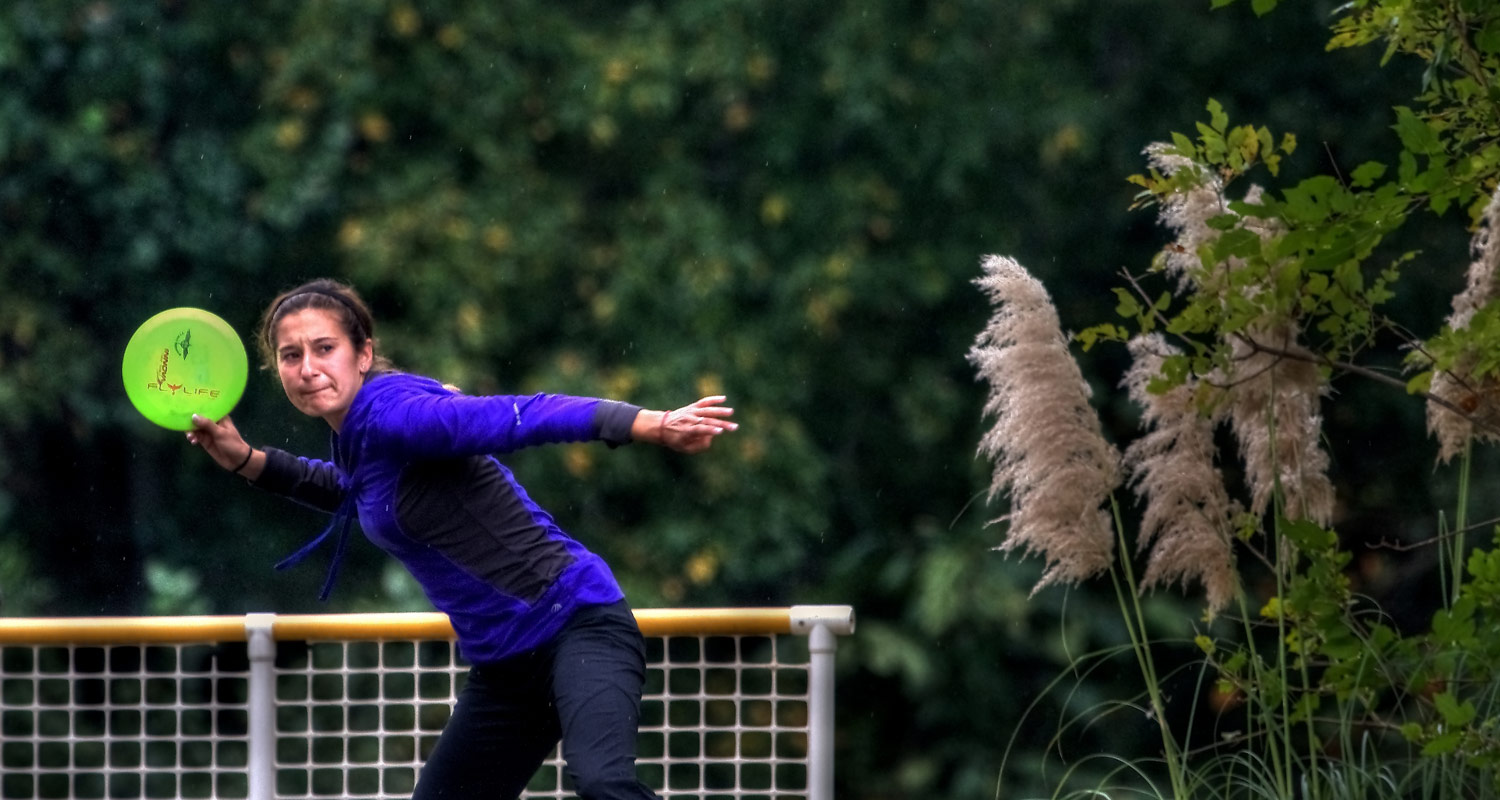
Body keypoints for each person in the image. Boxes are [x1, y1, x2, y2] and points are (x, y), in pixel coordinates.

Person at [185, 278, 737, 800]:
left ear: (364, 354)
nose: (308, 368)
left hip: (578, 625)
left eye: (325, 348)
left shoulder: (396, 417)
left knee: (602, 784)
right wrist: (245, 459)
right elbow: (350, 491)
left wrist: (644, 422)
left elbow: (522, 416)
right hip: (506, 668)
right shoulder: (358, 438)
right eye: (291, 356)